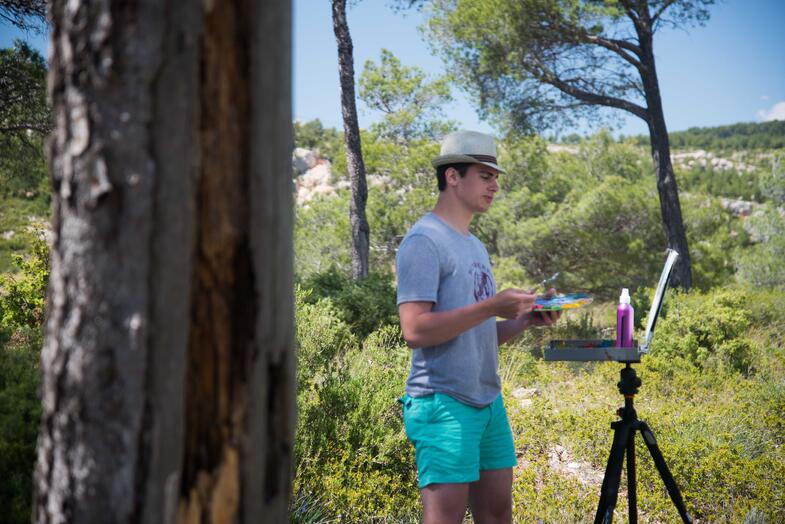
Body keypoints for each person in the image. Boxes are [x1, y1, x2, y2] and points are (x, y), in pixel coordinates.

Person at [396, 130, 561, 524]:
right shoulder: (424, 241)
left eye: (496, 177)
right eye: (486, 176)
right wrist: (491, 306)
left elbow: (477, 333)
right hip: (443, 403)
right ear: (453, 176)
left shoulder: (474, 246)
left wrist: (524, 320)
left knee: (497, 515)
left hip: (488, 402)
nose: (495, 186)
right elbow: (414, 330)